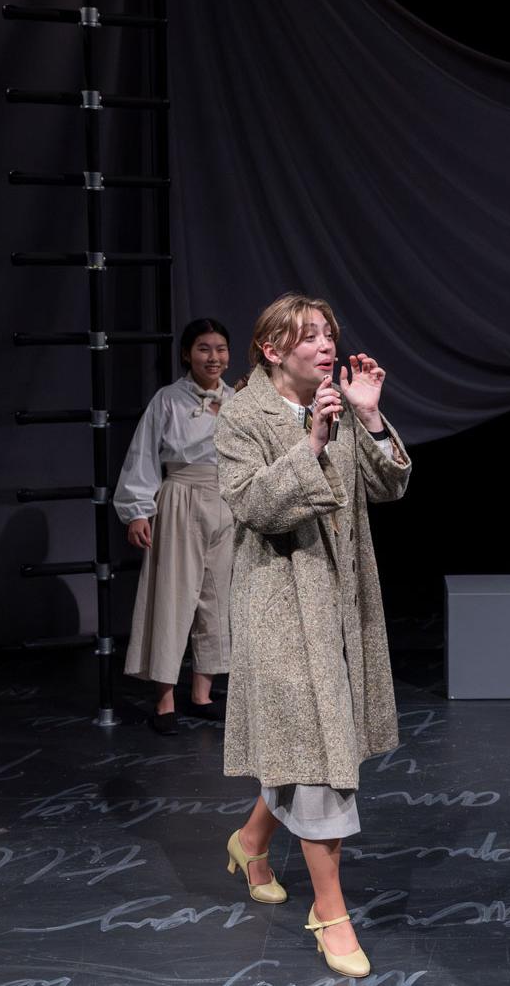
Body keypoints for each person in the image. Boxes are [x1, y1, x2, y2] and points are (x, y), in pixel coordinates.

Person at [214, 292, 411, 980]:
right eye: (309, 337)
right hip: (278, 603)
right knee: (320, 754)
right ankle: (331, 910)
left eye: (329, 335)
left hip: (340, 596)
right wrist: (312, 445)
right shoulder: (242, 414)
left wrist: (367, 415)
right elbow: (252, 506)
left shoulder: (335, 402)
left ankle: (250, 840)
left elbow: (388, 489)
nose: (326, 347)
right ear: (271, 349)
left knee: (310, 740)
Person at [114, 317, 237, 734]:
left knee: (217, 598)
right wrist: (137, 510)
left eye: (220, 348)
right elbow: (144, 454)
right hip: (181, 495)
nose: (213, 357)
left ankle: (202, 692)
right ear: (188, 354)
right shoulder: (168, 400)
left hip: (226, 500)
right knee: (173, 596)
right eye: (204, 348)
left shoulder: (238, 401)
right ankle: (164, 699)